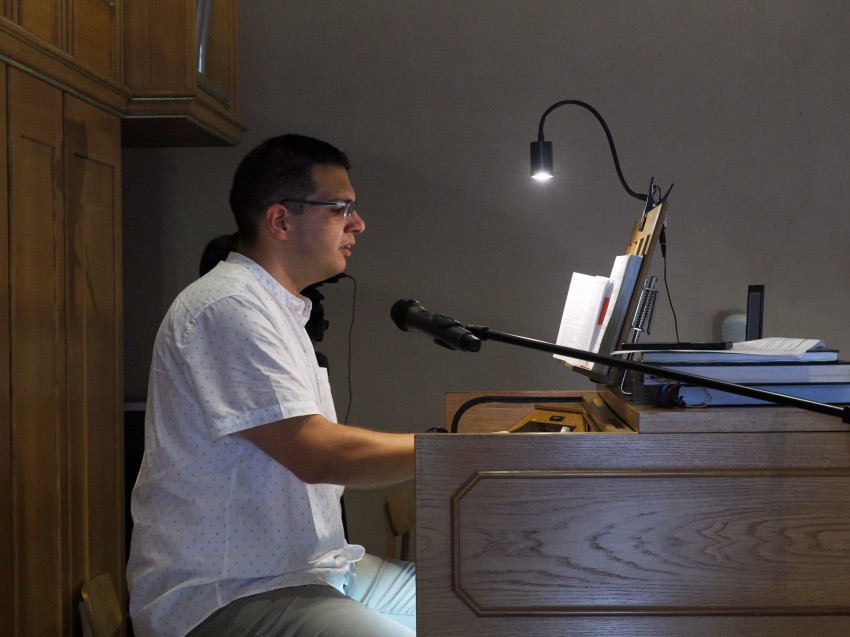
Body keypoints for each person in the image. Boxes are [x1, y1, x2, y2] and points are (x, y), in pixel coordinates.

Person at [127, 134, 417, 637]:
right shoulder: (228, 306)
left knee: (478, 607)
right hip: (228, 592)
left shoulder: (277, 307)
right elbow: (319, 456)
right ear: (281, 220)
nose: (358, 224)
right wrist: (457, 452)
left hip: (314, 569)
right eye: (341, 208)